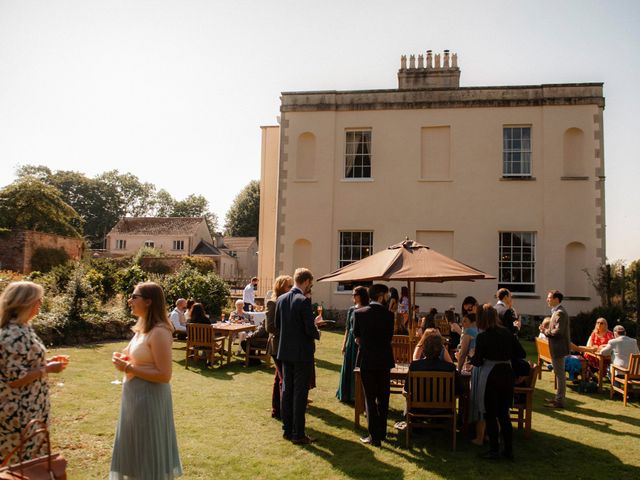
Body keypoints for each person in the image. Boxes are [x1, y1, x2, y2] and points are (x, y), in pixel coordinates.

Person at [110, 281, 182, 479]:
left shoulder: (160, 331)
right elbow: (138, 358)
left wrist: (128, 367)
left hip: (149, 400)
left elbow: (164, 375)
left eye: (134, 296)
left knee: (146, 451)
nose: (129, 300)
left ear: (149, 301)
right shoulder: (143, 329)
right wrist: (124, 359)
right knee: (135, 451)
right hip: (134, 399)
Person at [0, 281, 69, 465]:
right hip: (18, 413)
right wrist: (47, 369)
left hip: (31, 408)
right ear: (26, 303)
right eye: (38, 300)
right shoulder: (13, 334)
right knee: (18, 466)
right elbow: (15, 378)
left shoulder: (23, 328)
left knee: (29, 465)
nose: (40, 304)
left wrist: (46, 362)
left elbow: (24, 363)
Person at [471, 304, 525, 460]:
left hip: (490, 375)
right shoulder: (507, 333)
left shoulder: (482, 337)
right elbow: (521, 352)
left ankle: (494, 450)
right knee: (504, 414)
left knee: (490, 413)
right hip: (507, 374)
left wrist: (473, 356)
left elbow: (478, 361)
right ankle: (508, 450)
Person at [275, 268, 323, 445]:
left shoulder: (280, 299)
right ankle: (298, 434)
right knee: (300, 393)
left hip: (285, 351)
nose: (309, 287)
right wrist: (317, 330)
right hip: (301, 354)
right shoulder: (303, 301)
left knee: (287, 390)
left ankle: (287, 430)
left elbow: (278, 325)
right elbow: (309, 330)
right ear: (305, 282)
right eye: (310, 284)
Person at [353, 284, 395, 447]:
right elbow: (389, 338)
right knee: (384, 397)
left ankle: (374, 436)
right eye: (386, 295)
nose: (387, 298)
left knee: (370, 398)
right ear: (380, 296)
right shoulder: (389, 315)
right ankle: (382, 432)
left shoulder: (359, 313)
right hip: (384, 360)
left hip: (367, 360)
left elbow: (357, 338)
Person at [265, 275, 293, 419]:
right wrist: (288, 331)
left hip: (285, 345)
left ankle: (277, 410)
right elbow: (269, 327)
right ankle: (283, 411)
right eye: (289, 286)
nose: (291, 289)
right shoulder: (273, 303)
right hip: (277, 346)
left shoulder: (288, 302)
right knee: (283, 380)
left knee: (278, 379)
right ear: (281, 287)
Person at [337, 286, 370, 403]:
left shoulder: (368, 309)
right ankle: (346, 394)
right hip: (351, 341)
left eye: (354, 294)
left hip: (362, 342)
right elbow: (347, 328)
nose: (353, 297)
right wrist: (344, 343)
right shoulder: (351, 310)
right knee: (348, 366)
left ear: (360, 296)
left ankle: (358, 395)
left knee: (359, 367)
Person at [539, 290, 570, 409]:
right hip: (556, 347)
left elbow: (558, 331)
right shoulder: (556, 311)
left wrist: (544, 331)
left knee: (560, 375)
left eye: (549, 298)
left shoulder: (560, 312)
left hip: (559, 348)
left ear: (556, 299)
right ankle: (557, 398)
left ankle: (560, 401)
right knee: (558, 374)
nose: (547, 300)